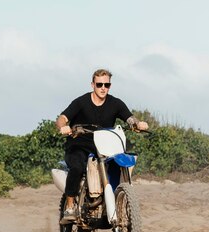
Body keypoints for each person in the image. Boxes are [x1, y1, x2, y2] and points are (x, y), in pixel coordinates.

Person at [55, 69, 148, 221]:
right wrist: (62, 126)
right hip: (79, 144)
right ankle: (70, 206)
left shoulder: (115, 103)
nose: (103, 88)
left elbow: (129, 118)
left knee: (119, 163)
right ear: (93, 85)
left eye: (107, 84)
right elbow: (62, 118)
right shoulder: (81, 102)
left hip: (104, 146)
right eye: (99, 84)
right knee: (77, 167)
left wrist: (137, 124)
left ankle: (115, 199)